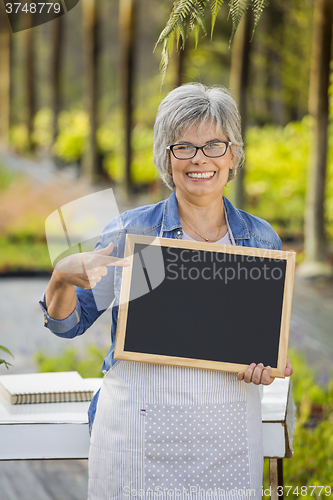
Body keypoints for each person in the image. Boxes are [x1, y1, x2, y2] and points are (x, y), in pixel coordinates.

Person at [40, 83, 293, 500]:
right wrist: (62, 277)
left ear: (233, 157)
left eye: (214, 145)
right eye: (183, 147)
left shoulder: (260, 239)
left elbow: (268, 345)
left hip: (227, 439)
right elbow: (68, 326)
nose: (199, 159)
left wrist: (267, 367)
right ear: (166, 157)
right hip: (134, 438)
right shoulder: (130, 232)